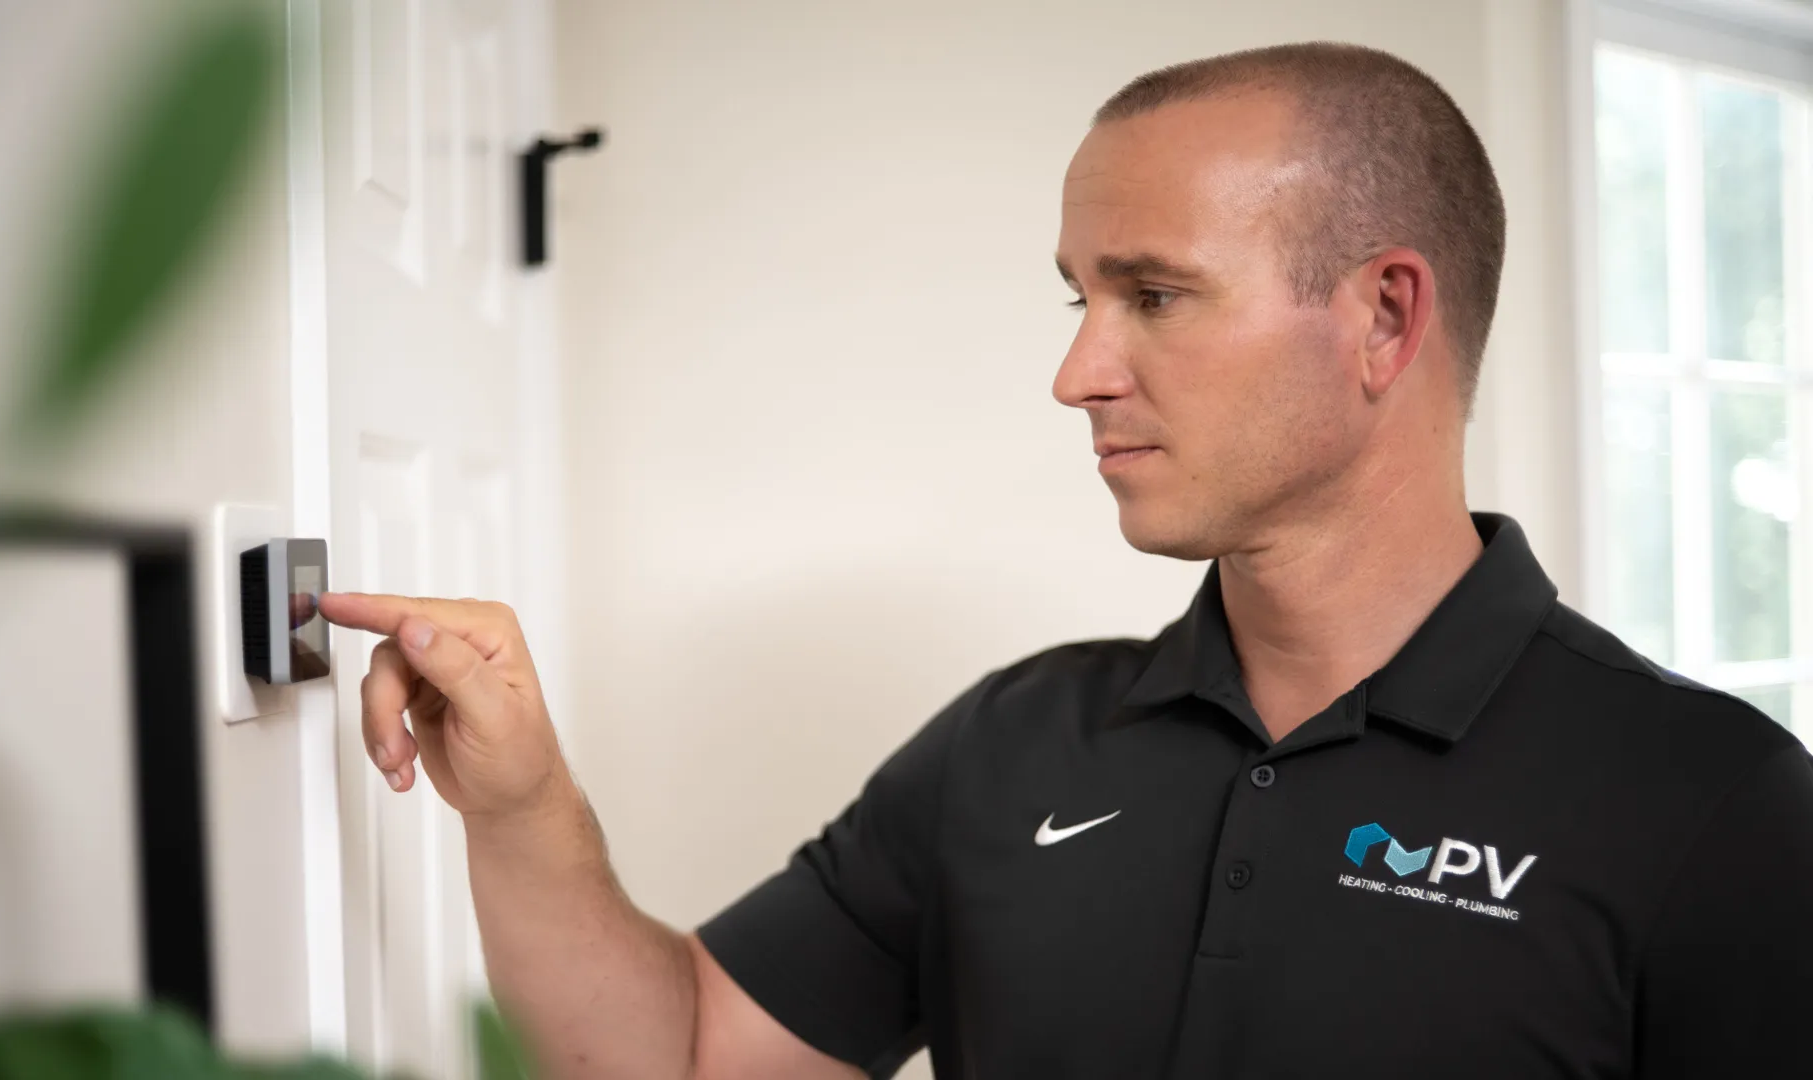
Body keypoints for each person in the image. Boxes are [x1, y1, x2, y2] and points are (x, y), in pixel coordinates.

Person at [319, 41, 1813, 1080]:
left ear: (1383, 318)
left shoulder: (1709, 804)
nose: (1079, 371)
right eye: (1079, 297)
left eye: (1155, 294)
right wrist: (520, 806)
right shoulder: (1009, 747)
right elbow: (685, 1058)